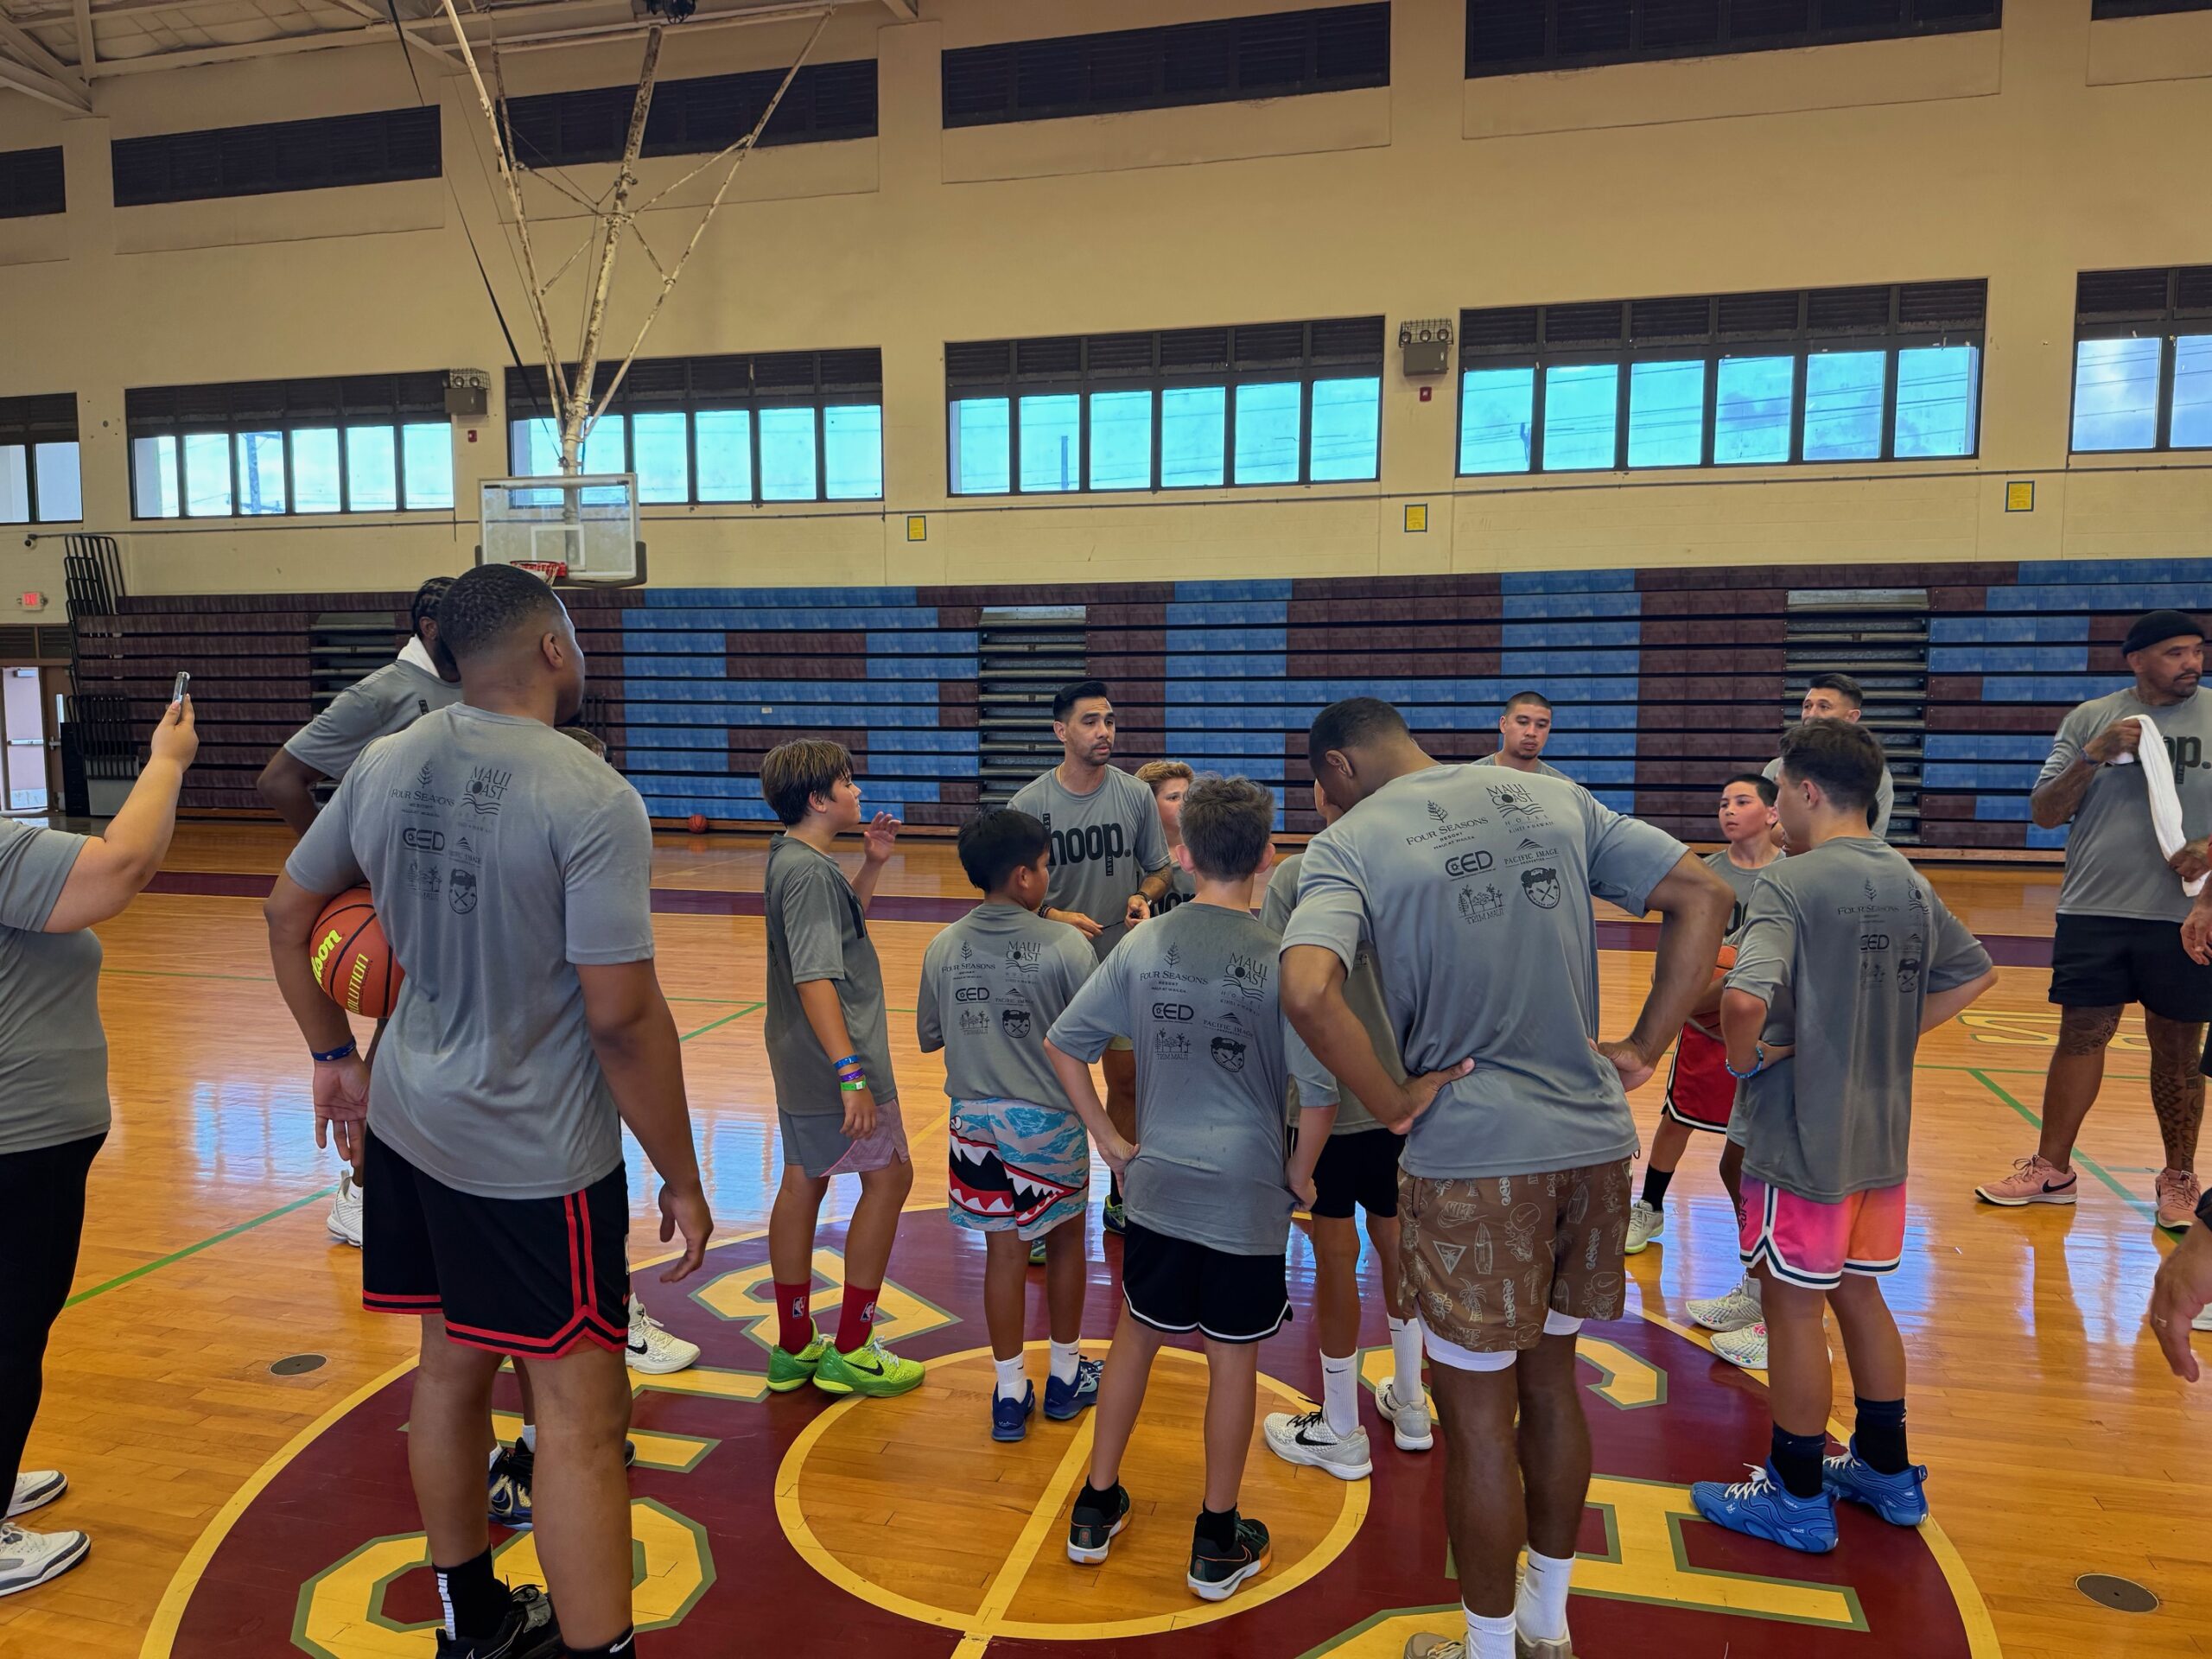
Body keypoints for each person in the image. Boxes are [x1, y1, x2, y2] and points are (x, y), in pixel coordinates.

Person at [264, 563, 713, 1659]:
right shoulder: (592, 795)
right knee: (579, 1421)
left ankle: (471, 1623)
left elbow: (288, 908)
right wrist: (683, 1172)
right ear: (552, 648)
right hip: (533, 1158)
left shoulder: (382, 761)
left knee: (448, 1371)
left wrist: (333, 1055)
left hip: (412, 1125)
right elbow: (621, 1017)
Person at [1281, 696, 1729, 1659]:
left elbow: (1308, 989)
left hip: (1474, 1159)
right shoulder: (1551, 797)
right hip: (1594, 1147)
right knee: (1554, 1386)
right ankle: (1545, 1626)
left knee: (1477, 1422)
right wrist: (1648, 1045)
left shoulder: (1349, 840)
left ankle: (1486, 1650)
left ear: (1338, 770)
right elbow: (1704, 896)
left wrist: (1394, 1102)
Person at [1692, 719, 1995, 1554]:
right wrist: (1887, 1035)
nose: (1776, 802)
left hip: (1801, 1138)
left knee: (1791, 1311)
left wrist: (1751, 1062)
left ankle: (1793, 1492)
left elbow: (1744, 1001)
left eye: (1779, 788)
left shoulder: (1789, 884)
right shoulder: (1906, 877)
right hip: (1880, 1142)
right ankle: (1887, 1473)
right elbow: (1975, 972)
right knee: (1860, 1295)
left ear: (1807, 791)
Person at [1046, 776, 1330, 1605]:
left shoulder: (1144, 944)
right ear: (1271, 857)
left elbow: (1069, 1046)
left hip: (1158, 1181)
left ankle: (1095, 1508)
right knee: (1232, 1360)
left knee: (1135, 1336)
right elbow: (1319, 1096)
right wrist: (1300, 1174)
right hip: (1246, 1191)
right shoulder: (1285, 958)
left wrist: (1111, 1142)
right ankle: (1215, 1539)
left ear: (1181, 854)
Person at [0, 695, 195, 1599]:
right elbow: (119, 871)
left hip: (28, 1134)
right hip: (17, 1141)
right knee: (9, 1331)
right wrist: (167, 760)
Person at [485, 724, 697, 1531]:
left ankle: (467, 1596)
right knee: (562, 1329)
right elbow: (621, 1020)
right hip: (540, 1125)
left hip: (439, 1115)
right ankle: (547, 1453)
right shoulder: (588, 821)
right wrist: (681, 1175)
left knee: (458, 1347)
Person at [1977, 610, 2211, 1232]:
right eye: (2174, 653)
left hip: (2185, 912)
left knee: (2178, 1048)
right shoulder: (2091, 717)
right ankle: (2052, 1169)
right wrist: (2093, 754)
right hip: (2095, 907)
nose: (2191, 662)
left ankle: (2179, 1178)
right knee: (2080, 1036)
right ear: (2135, 660)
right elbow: (2046, 812)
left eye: (2196, 651)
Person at [257, 575, 461, 1249]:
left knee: (427, 1058)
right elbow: (280, 778)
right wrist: (340, 867)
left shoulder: (472, 689)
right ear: (432, 628)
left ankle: (395, 1189)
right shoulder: (381, 693)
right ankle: (363, 1195)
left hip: (449, 901)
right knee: (398, 1054)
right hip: (394, 908)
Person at [1257, 779, 1429, 1483]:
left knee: (1334, 1254)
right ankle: (1414, 1405)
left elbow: (1275, 991)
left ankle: (1339, 1425)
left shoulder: (1299, 875)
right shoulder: (1418, 870)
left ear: (1324, 791)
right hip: (1401, 1093)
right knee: (1396, 1242)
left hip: (1324, 1101)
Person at [918, 809, 1103, 1440]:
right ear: (1025, 876)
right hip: (1047, 1122)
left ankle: (1008, 1391)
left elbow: (930, 1034)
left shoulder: (942, 946)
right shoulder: (1068, 946)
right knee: (1068, 1242)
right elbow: (1094, 1042)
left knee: (1003, 1253)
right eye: (1047, 866)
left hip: (973, 1126)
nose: (1047, 876)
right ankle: (1066, 1376)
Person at [758, 738, 922, 1400]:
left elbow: (837, 934)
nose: (859, 791)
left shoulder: (794, 859)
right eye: (849, 783)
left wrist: (871, 867)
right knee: (891, 1178)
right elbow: (815, 973)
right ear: (820, 799)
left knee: (804, 1181)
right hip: (835, 1056)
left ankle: (794, 1347)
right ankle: (853, 1346)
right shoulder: (807, 873)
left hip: (798, 1057)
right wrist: (851, 1071)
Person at [1007, 681, 1174, 1237]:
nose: (1104, 731)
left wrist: (1143, 895)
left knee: (1125, 1084)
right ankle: (1041, 1209)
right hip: (1051, 971)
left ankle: (1120, 1197)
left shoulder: (1132, 795)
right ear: (1060, 731)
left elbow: (1159, 867)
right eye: (1089, 722)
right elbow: (1008, 892)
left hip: (1120, 967)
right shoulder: (1029, 805)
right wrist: (1055, 918)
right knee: (1051, 1089)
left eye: (1109, 720)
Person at [1630, 774, 1783, 1256]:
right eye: (1723, 803)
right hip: (1703, 1024)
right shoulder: (1704, 874)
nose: (1729, 810)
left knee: (1750, 1140)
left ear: (1773, 813)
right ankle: (1649, 1206)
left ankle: (1757, 1234)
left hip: (1765, 1023)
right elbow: (1677, 955)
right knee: (1678, 1116)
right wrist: (1686, 1002)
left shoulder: (1793, 875)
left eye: (1743, 801)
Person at [1761, 674, 1894, 841]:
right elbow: (1761, 833)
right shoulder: (1776, 768)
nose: (1812, 714)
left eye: (1824, 707)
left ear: (1851, 717)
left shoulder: (1874, 775)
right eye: (1807, 706)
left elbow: (1868, 841)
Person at [1135, 760, 1197, 917]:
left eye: (1188, 796)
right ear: (1148, 803)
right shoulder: (1131, 858)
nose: (1185, 804)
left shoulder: (1207, 856)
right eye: (1174, 798)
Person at [1475, 690, 1571, 781]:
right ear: (1503, 724)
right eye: (1523, 722)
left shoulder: (1563, 787)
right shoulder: (1469, 779)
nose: (1531, 732)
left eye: (1541, 725)